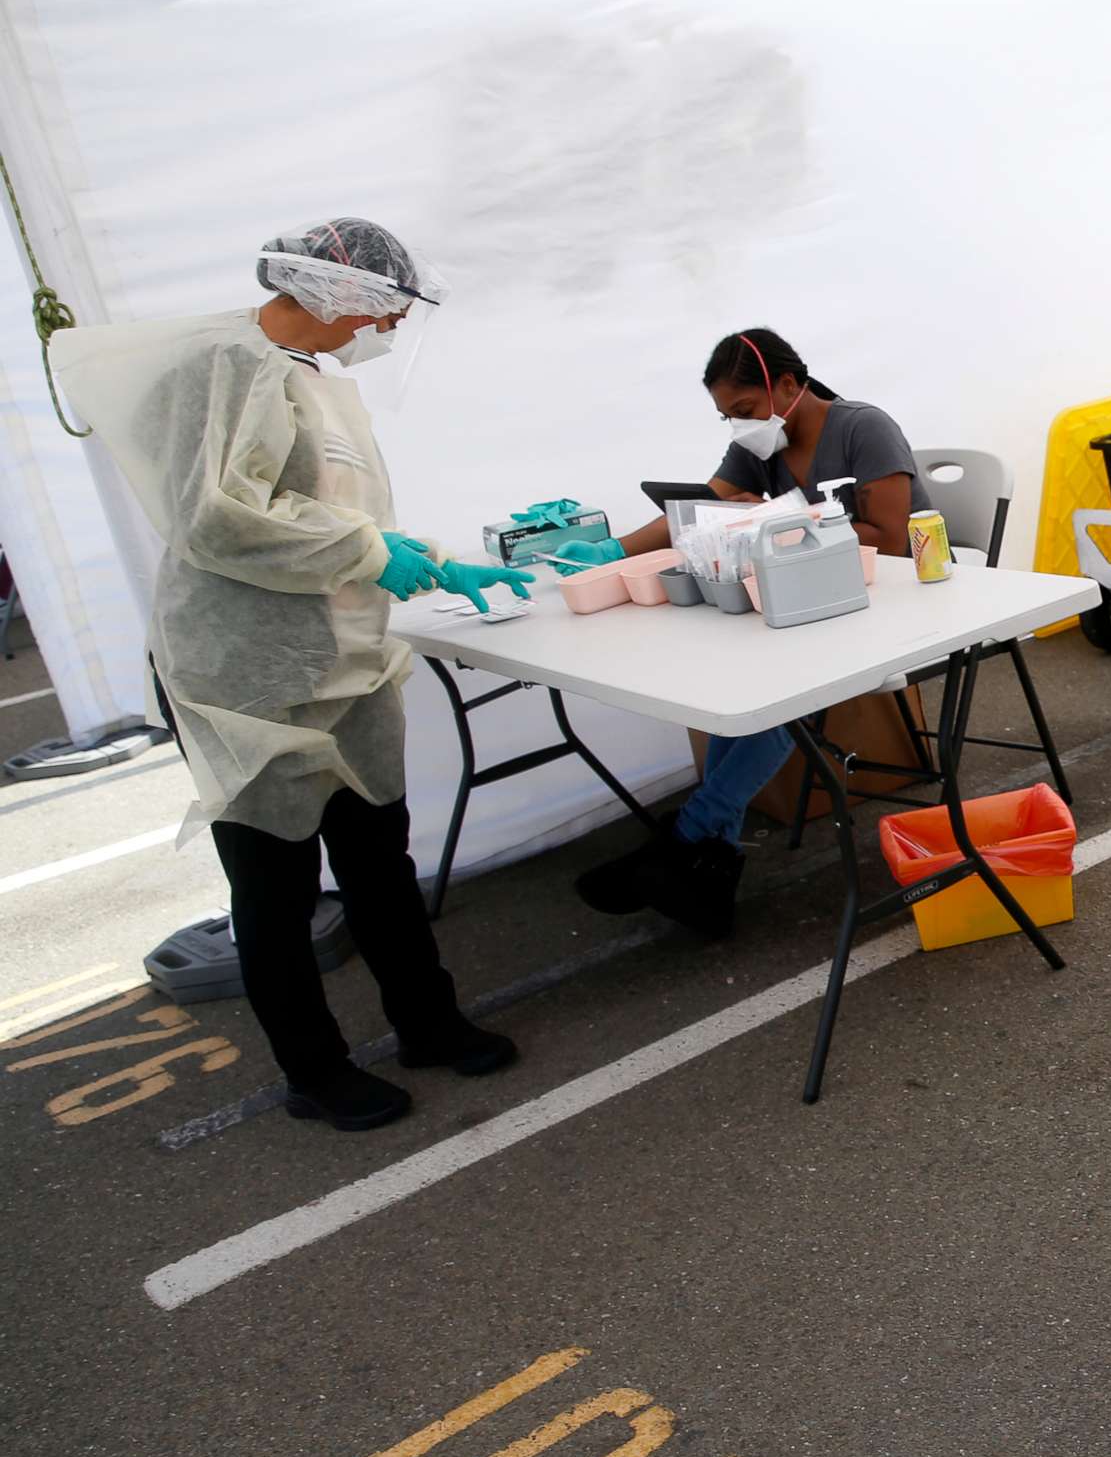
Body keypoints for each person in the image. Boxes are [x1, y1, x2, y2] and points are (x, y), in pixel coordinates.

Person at [53, 219, 529, 1133]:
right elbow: (218, 521)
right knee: (274, 890)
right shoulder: (227, 368)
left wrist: (433, 560)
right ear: (337, 295)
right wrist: (366, 548)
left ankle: (428, 1022)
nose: (386, 328)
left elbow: (337, 513)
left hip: (340, 658)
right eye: (383, 307)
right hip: (246, 676)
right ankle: (316, 1072)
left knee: (378, 861)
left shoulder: (317, 383)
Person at [563, 329, 932, 938]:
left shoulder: (864, 427)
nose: (739, 426)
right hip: (819, 593)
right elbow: (698, 510)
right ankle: (704, 864)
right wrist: (604, 554)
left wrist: (787, 521)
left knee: (783, 694)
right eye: (726, 417)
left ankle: (685, 845)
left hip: (897, 593)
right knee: (739, 684)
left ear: (789, 385)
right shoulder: (765, 443)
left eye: (744, 410)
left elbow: (891, 538)